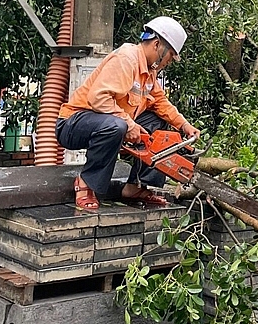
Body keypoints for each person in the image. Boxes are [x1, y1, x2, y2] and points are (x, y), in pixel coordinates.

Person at [56, 16, 201, 211]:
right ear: (158, 45)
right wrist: (130, 125)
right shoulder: (127, 59)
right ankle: (85, 184)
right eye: (170, 56)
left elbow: (160, 102)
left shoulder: (149, 71)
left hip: (108, 122)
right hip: (73, 124)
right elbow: (98, 98)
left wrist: (184, 125)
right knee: (117, 125)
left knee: (158, 124)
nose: (169, 62)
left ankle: (135, 187)